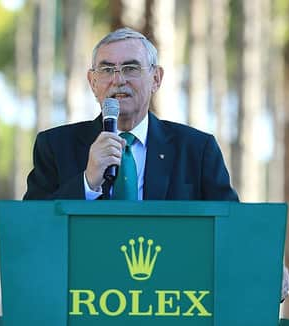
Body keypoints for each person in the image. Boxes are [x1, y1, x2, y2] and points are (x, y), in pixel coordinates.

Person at [23, 27, 238, 201]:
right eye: (107, 70)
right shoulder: (54, 147)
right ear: (93, 82)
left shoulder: (197, 150)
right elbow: (34, 228)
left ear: (156, 79)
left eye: (130, 68)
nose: (118, 80)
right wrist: (87, 183)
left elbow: (230, 227)